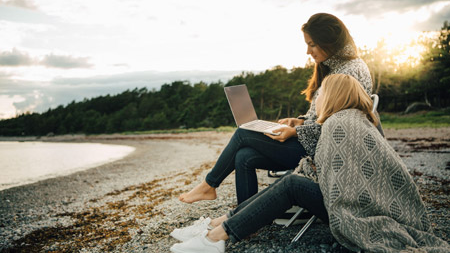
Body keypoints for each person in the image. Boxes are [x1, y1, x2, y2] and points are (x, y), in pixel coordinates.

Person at [169, 74, 449, 253]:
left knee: (292, 184)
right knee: (290, 179)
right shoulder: (351, 118)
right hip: (351, 199)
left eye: (322, 94)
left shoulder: (342, 123)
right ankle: (220, 225)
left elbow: (346, 183)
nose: (318, 99)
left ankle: (218, 236)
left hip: (356, 209)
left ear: (334, 96)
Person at [179, 13, 373, 205]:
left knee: (243, 133)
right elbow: (324, 116)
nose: (308, 51)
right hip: (312, 141)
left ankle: (209, 185)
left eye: (312, 44)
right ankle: (243, 215)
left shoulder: (349, 72)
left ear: (329, 40)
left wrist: (295, 132)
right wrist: (300, 121)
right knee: (244, 156)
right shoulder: (335, 67)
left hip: (322, 151)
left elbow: (339, 128)